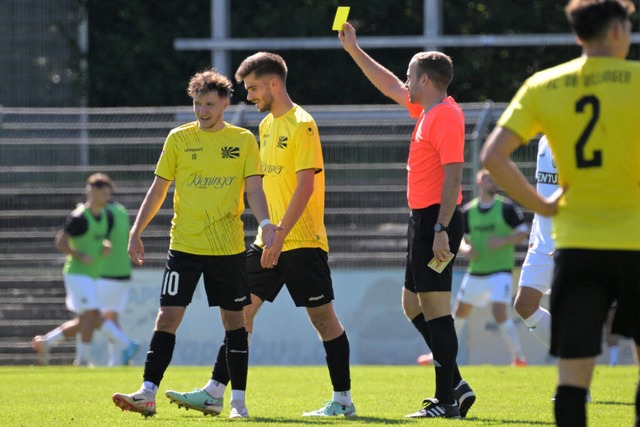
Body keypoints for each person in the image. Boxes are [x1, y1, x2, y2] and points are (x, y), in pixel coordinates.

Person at [165, 52, 356, 418]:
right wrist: (269, 231)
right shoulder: (267, 125)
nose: (249, 96)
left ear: (273, 83)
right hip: (267, 240)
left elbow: (305, 187)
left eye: (253, 88)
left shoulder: (303, 124)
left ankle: (343, 400)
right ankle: (214, 392)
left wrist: (282, 232)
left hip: (300, 240)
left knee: (323, 319)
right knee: (241, 312)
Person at [480, 1, 640, 426]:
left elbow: (492, 156)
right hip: (633, 240)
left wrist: (542, 205)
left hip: (575, 243)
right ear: (620, 31)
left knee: (572, 379)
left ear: (578, 35)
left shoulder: (545, 85)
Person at [111, 68, 278, 419]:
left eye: (209, 105)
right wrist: (135, 230)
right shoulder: (178, 139)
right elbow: (159, 189)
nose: (202, 111)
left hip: (227, 249)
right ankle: (147, 393)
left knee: (236, 322)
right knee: (167, 316)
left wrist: (266, 223)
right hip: (184, 245)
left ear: (226, 104)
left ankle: (237, 403)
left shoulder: (243, 141)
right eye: (197, 104)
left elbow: (254, 189)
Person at [339, 23, 475, 419]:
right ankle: (457, 385)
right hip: (424, 220)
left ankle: (446, 401)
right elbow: (390, 87)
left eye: (411, 76)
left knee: (435, 310)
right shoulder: (428, 109)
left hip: (437, 220)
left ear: (427, 80)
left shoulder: (445, 115)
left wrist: (439, 230)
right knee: (411, 304)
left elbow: (454, 175)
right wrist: (354, 51)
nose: (406, 82)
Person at [32, 174, 139, 367]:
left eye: (109, 194)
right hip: (76, 274)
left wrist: (104, 247)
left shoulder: (105, 216)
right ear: (93, 192)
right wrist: (80, 255)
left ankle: (47, 343)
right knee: (93, 314)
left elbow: (99, 241)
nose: (107, 197)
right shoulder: (79, 217)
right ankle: (124, 345)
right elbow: (60, 242)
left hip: (92, 275)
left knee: (86, 319)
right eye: (104, 193)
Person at [452, 169, 529, 366]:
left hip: (500, 270)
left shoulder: (506, 208)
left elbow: (523, 232)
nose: (493, 182)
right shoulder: (469, 210)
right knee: (459, 312)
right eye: (489, 179)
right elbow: (459, 237)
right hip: (476, 270)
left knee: (499, 312)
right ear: (480, 182)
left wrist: (502, 241)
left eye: (495, 179)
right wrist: (465, 248)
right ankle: (440, 355)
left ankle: (517, 357)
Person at [513, 136, 556, 350]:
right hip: (542, 244)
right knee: (524, 305)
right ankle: (569, 356)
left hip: (569, 241)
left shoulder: (577, 134)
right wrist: (533, 238)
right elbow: (543, 195)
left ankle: (576, 366)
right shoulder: (544, 141)